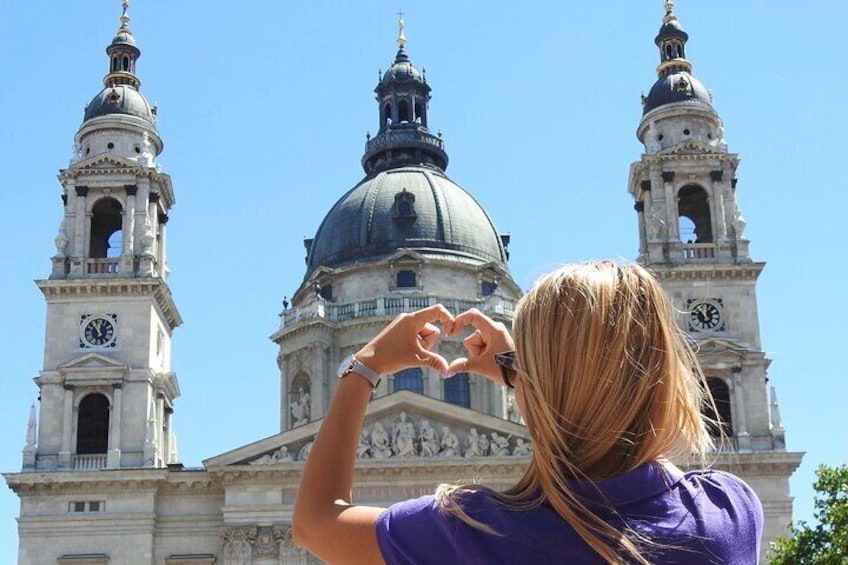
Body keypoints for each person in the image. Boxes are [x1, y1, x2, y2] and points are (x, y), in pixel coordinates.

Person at [292, 261, 763, 564]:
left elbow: (315, 523)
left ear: (533, 387)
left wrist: (364, 368)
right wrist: (535, 380)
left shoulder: (472, 530)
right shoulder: (728, 510)